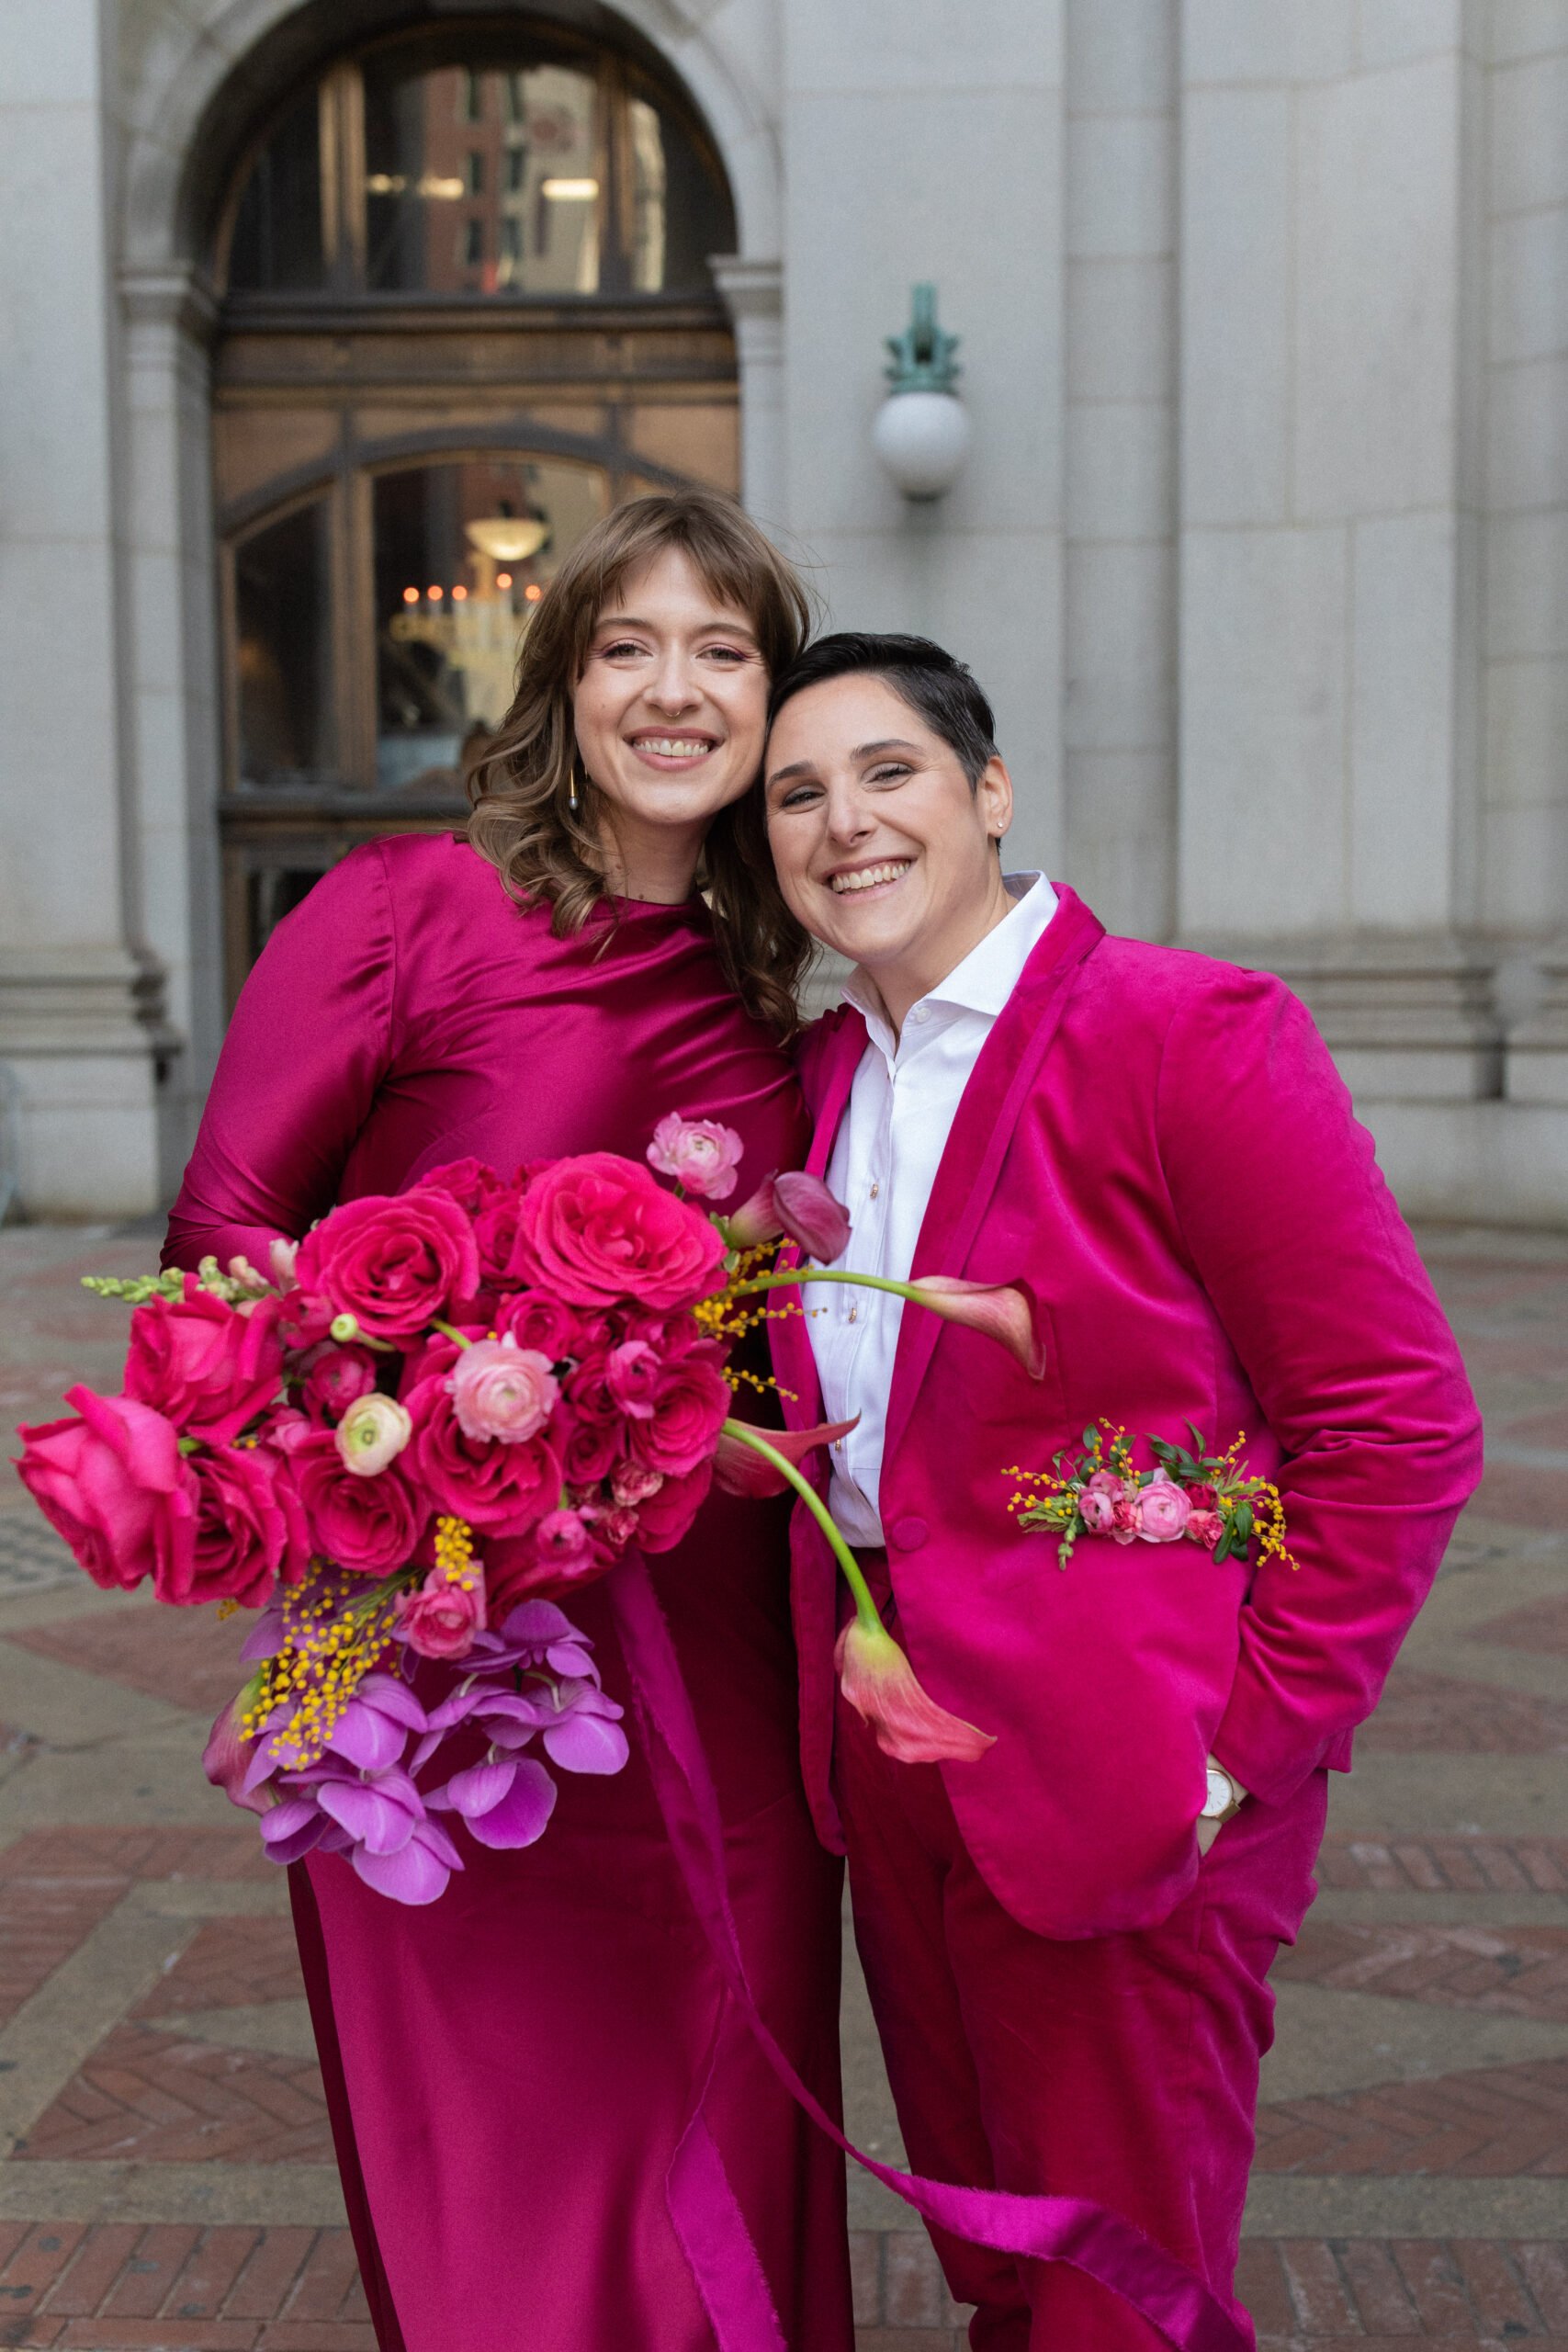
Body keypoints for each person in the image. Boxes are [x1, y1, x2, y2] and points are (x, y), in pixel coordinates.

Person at [164, 495, 855, 2352]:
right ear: (560, 682)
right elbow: (221, 1235)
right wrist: (450, 1397)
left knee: (724, 2047)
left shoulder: (781, 984)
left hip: (712, 1625)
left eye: (722, 649)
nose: (674, 689)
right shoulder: (403, 908)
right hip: (452, 1631)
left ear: (771, 698)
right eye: (629, 644)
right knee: (502, 2106)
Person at [760, 631, 1483, 2351]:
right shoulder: (813, 1080)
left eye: (888, 772)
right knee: (1003, 2256)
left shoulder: (1183, 1030)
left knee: (1120, 2284)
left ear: (989, 793)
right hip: (893, 1765)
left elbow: (1396, 1424)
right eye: (797, 793)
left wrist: (1239, 1748)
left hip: (1131, 1765)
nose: (842, 822)